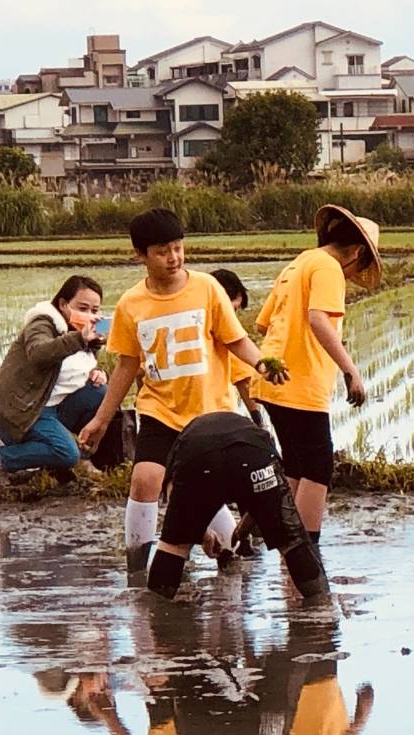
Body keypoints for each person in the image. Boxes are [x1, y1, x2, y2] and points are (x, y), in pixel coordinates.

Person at [77, 209, 269, 579]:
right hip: (160, 410)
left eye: (179, 248)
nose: (174, 257)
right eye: (163, 251)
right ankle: (137, 570)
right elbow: (127, 366)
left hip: (209, 412)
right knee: (145, 479)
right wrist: (101, 420)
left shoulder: (207, 288)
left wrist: (262, 365)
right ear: (141, 255)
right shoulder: (133, 304)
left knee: (229, 543)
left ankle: (221, 548)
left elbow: (236, 340)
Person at [253, 205, 378, 547]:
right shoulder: (329, 268)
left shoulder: (300, 262)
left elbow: (264, 323)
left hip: (274, 378)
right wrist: (350, 370)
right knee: (319, 467)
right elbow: (318, 320)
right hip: (300, 381)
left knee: (296, 464)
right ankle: (306, 548)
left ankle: (290, 551)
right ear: (357, 252)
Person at [144, 411, 328, 602]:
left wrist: (203, 534)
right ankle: (322, 606)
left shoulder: (181, 448)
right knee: (292, 542)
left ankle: (156, 612)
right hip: (254, 454)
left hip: (200, 458)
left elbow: (179, 510)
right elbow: (268, 497)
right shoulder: (249, 431)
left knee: (174, 546)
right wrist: (246, 522)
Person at [0, 276, 109, 480]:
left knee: (100, 393)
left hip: (51, 405)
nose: (89, 315)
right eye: (83, 308)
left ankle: (81, 456)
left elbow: (74, 370)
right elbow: (39, 353)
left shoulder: (83, 334)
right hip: (24, 410)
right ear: (63, 304)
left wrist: (98, 373)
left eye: (94, 311)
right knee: (66, 454)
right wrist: (80, 338)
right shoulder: (42, 324)